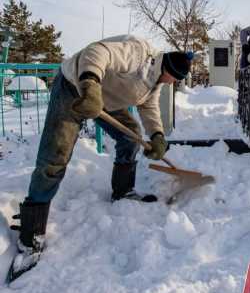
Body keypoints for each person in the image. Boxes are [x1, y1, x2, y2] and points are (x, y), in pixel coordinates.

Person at [10, 35, 193, 280]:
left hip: (102, 99)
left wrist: (157, 135)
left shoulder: (156, 80)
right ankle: (30, 237)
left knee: (130, 138)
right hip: (74, 87)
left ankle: (123, 190)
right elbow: (97, 52)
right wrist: (90, 85)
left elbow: (147, 106)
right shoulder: (139, 54)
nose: (173, 84)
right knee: (55, 157)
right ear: (170, 71)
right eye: (176, 79)